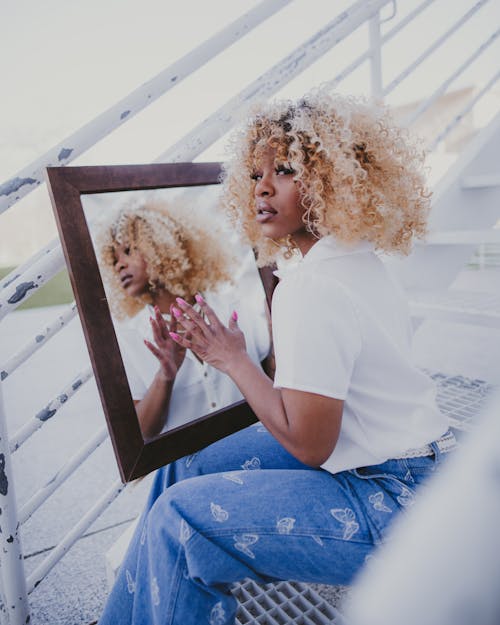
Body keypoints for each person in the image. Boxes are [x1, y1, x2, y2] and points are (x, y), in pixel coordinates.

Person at [99, 92, 456, 625]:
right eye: (255, 174)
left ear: (332, 180)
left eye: (285, 170)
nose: (262, 187)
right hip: (416, 468)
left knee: (181, 519)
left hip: (396, 504)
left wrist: (233, 359)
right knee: (183, 462)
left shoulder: (311, 287)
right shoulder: (355, 261)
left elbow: (311, 445)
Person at [96, 199, 270, 438]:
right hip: (188, 467)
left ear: (162, 246)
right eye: (114, 260)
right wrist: (165, 375)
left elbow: (271, 374)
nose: (119, 265)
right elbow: (142, 433)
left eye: (128, 251)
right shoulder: (131, 338)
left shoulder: (231, 307)